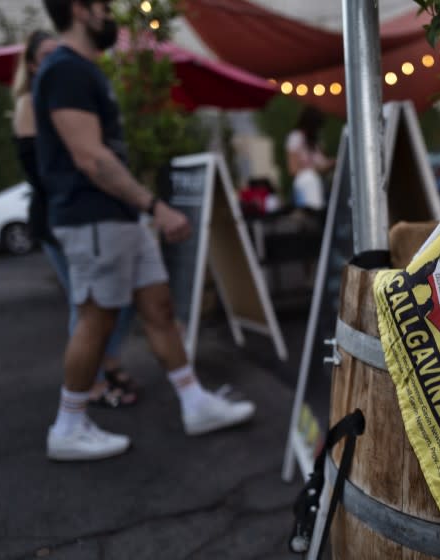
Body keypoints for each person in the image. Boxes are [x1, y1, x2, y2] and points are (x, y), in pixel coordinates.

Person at [35, 0, 255, 461]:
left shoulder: (83, 70)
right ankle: (68, 426)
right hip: (92, 216)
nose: (110, 15)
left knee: (158, 305)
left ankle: (195, 403)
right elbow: (90, 157)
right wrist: (155, 206)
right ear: (80, 9)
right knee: (98, 316)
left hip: (119, 217)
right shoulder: (65, 70)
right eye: (103, 7)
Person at [12, 29, 138, 408]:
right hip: (60, 215)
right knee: (85, 305)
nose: (56, 59)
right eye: (47, 54)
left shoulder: (63, 99)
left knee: (111, 301)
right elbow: (48, 171)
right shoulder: (31, 105)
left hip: (81, 211)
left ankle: (107, 364)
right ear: (33, 64)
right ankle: (92, 386)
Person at [285, 106, 334, 211]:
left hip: (320, 185)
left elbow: (322, 162)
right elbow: (292, 170)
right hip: (307, 186)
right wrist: (316, 168)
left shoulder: (315, 142)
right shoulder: (296, 138)